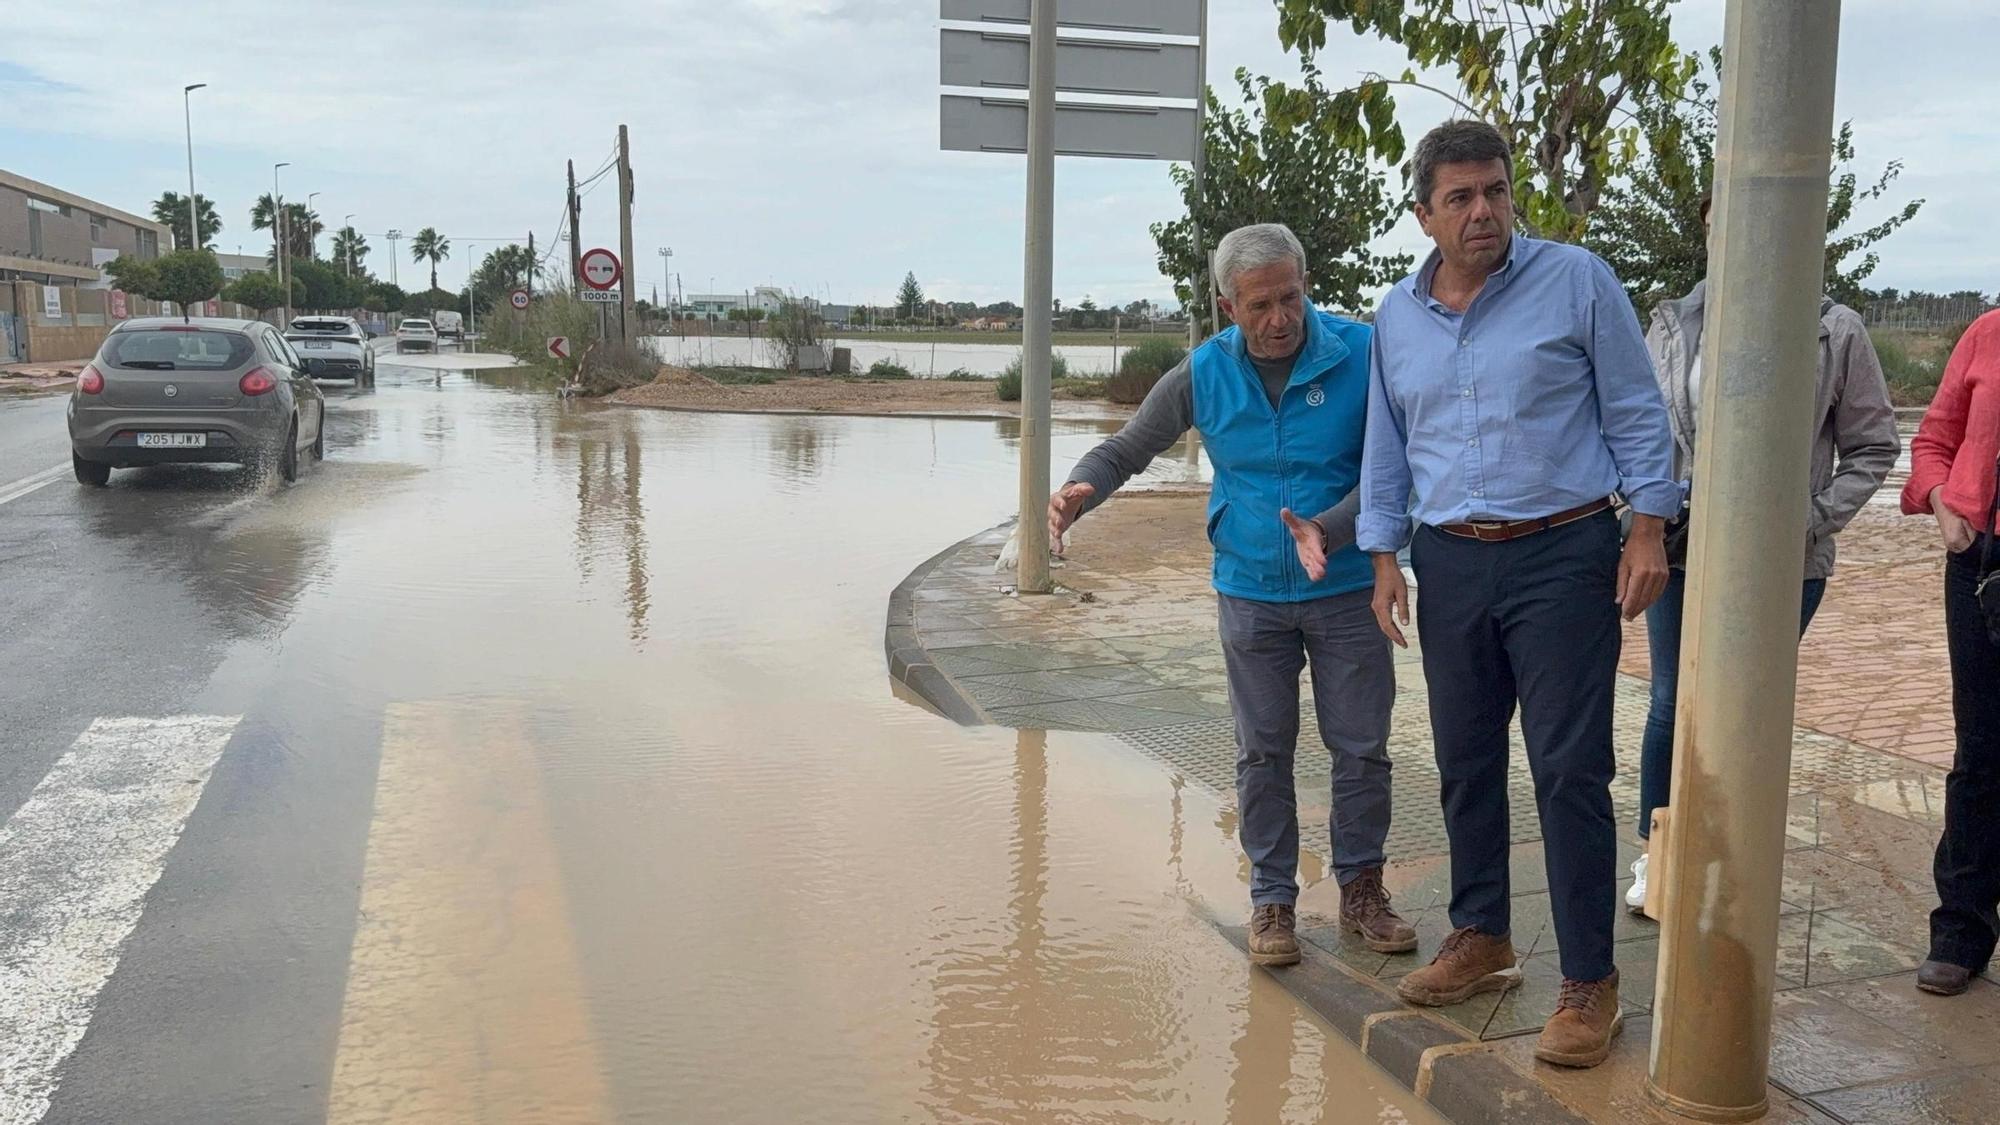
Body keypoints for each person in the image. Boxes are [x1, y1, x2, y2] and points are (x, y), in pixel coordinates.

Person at [1358, 120, 1677, 1069]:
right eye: (1458, 197)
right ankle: (1483, 935)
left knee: (1571, 767)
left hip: (1564, 552)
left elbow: (1634, 407)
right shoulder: (1396, 316)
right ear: (1424, 213)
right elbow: (1388, 443)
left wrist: (1651, 525)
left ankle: (1590, 982)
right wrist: (1383, 557)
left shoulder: (1576, 280)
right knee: (1462, 758)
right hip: (1447, 559)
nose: (1482, 211)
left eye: (1494, 191)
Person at [1049, 223, 1415, 969]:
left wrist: (1331, 529)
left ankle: (1363, 891)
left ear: (1305, 283)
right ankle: (1273, 899)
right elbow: (1128, 446)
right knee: (1261, 751)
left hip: (1345, 589)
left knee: (1362, 747)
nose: (1279, 318)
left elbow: (1395, 464)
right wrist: (1083, 488)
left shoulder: (1361, 352)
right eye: (1259, 305)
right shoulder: (1203, 372)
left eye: (1290, 296)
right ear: (1226, 306)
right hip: (1249, 591)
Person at [1627, 194, 1901, 911]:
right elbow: (1642, 433)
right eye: (1724, 223)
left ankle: (1733, 861)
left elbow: (1874, 445)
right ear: (1709, 232)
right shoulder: (1673, 324)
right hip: (1685, 553)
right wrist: (1644, 514)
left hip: (1785, 565)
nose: (1740, 238)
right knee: (1672, 703)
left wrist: (1811, 519)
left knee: (1747, 707)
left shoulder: (1833, 330)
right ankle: (1660, 855)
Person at [1903, 309, 2000, 997]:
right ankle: (1961, 929)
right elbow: (1935, 436)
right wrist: (1943, 503)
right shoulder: (1987, 332)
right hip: (1981, 562)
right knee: (1981, 751)